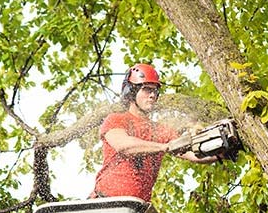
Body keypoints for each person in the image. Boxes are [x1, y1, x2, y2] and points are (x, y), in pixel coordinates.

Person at [91, 63, 218, 202]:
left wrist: (219, 152)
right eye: (147, 90)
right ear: (131, 92)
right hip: (105, 203)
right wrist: (163, 147)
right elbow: (124, 145)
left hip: (137, 207)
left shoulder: (161, 131)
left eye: (155, 91)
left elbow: (193, 154)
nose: (152, 95)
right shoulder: (116, 119)